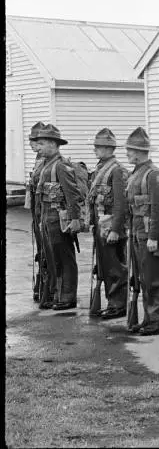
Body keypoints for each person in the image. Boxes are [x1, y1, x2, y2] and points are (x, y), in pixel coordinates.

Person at [124, 127, 159, 336]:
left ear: (140, 152)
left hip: (148, 235)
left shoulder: (153, 175)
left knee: (154, 279)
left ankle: (157, 321)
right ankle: (149, 318)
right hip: (137, 233)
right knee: (143, 278)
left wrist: (154, 237)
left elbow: (158, 209)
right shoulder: (136, 174)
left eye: (130, 150)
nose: (127, 153)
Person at [33, 124, 83, 310]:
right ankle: (57, 294)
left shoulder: (61, 165)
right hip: (47, 217)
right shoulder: (46, 164)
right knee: (52, 258)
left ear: (53, 144)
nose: (38, 147)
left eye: (42, 143)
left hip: (58, 217)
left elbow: (72, 194)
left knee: (63, 258)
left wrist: (75, 219)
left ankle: (68, 297)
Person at [87, 128, 129, 320]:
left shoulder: (117, 170)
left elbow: (121, 203)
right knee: (104, 265)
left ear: (110, 149)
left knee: (114, 266)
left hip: (111, 225)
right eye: (96, 146)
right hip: (101, 224)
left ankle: (118, 304)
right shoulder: (99, 168)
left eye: (100, 147)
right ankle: (112, 302)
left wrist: (116, 229)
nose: (96, 150)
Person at [28, 121, 47, 303]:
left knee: (46, 252)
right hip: (37, 213)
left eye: (36, 141)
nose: (32, 144)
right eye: (32, 140)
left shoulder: (46, 162)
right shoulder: (38, 160)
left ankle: (46, 286)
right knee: (41, 251)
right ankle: (42, 285)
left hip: (45, 213)